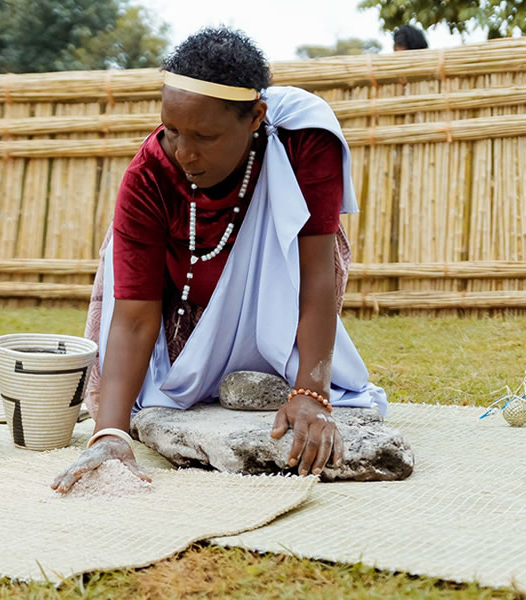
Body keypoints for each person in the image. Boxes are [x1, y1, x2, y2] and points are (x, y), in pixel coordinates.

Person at [52, 27, 387, 494]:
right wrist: (110, 432)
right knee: (152, 401)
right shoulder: (149, 175)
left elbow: (315, 276)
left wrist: (311, 391)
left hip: (279, 310)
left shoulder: (306, 144)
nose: (184, 153)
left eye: (204, 136)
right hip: (179, 324)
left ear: (256, 118)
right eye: (171, 131)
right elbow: (132, 318)